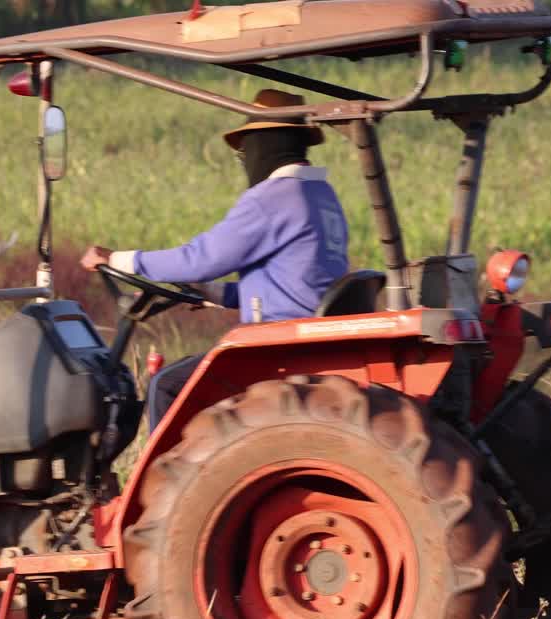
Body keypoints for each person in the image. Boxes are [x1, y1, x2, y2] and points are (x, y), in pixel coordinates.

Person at [79, 88, 350, 428]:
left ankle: (167, 480)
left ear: (266, 145)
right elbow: (288, 283)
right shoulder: (321, 194)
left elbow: (200, 259)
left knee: (166, 386)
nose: (246, 162)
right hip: (303, 335)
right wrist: (209, 293)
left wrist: (116, 259)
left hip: (277, 347)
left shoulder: (275, 197)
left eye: (245, 153)